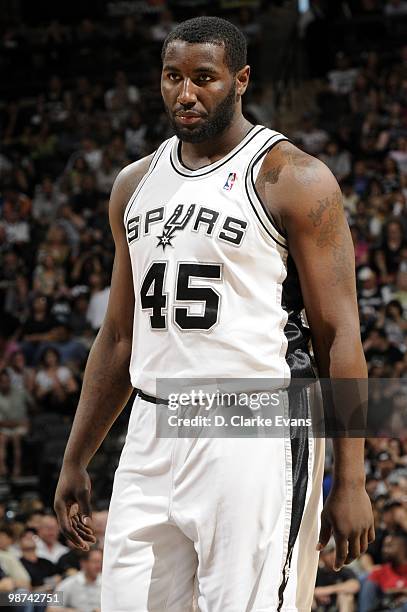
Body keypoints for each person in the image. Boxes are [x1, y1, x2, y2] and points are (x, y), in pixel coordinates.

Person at [54, 16, 374, 612]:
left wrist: (352, 481)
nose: (186, 93)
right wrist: (77, 456)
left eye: (205, 78)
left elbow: (341, 337)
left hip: (253, 423)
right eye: (173, 77)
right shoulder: (133, 184)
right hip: (152, 425)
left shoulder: (293, 178)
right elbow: (121, 336)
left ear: (241, 79)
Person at [359, 532, 407, 612]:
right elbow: (369, 591)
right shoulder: (381, 571)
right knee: (368, 584)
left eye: (389, 546)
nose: (384, 550)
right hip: (386, 608)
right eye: (384, 547)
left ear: (403, 548)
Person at [46, 548, 102, 612]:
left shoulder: (107, 584)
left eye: (100, 562)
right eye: (94, 562)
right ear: (83, 563)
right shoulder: (67, 584)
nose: (99, 566)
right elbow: (50, 610)